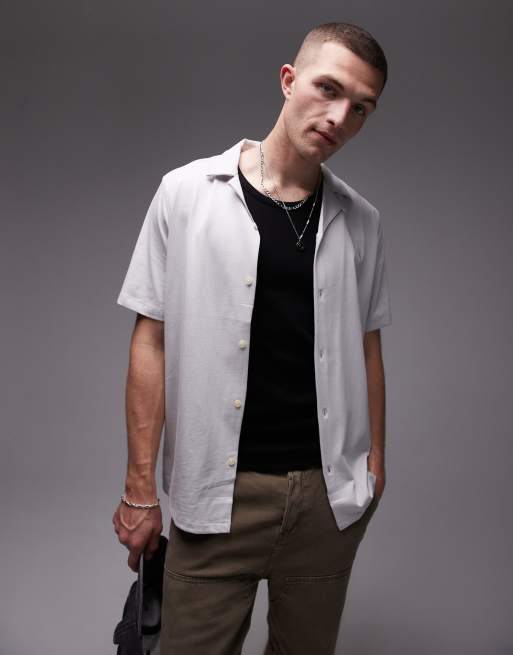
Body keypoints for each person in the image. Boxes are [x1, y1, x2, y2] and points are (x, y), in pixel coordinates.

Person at [112, 20, 392, 655]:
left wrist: (375, 465)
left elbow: (367, 346)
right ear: (289, 81)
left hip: (327, 499)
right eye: (328, 89)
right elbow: (150, 341)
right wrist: (139, 488)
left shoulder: (363, 221)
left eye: (361, 108)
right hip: (216, 495)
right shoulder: (186, 194)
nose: (339, 117)